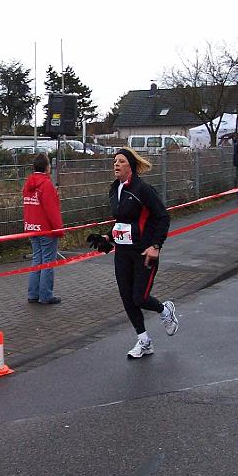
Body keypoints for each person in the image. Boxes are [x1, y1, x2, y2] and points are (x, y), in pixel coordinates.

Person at [87, 147, 178, 359]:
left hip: (144, 252)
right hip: (123, 253)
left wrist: (156, 246)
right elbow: (122, 222)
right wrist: (108, 238)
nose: (116, 165)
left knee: (140, 297)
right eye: (114, 162)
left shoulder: (143, 189)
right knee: (127, 298)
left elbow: (162, 217)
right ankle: (144, 341)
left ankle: (165, 310)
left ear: (131, 166)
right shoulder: (114, 189)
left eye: (120, 161)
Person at [22, 153, 63, 304]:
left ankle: (33, 294)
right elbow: (52, 210)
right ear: (47, 168)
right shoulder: (46, 185)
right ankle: (46, 295)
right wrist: (58, 229)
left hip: (32, 227)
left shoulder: (28, 184)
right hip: (46, 229)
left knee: (36, 259)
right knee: (48, 262)